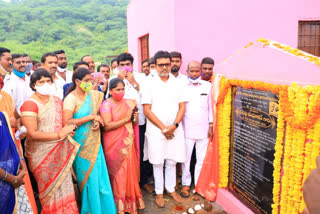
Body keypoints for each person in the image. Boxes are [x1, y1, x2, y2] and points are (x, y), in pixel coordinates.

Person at [20, 68, 79, 213]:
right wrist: (60, 134)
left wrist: (69, 128)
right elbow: (32, 133)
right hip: (41, 155)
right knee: (49, 191)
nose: (46, 84)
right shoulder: (30, 104)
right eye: (41, 82)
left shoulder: (57, 100)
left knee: (66, 187)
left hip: (60, 152)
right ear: (34, 85)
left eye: (48, 81)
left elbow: (65, 122)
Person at [63, 67, 116, 214]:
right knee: (89, 179)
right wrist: (91, 118)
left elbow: (97, 113)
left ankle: (105, 209)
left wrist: (97, 121)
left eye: (91, 81)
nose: (89, 84)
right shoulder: (70, 99)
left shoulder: (94, 95)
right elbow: (67, 122)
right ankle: (91, 210)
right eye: (86, 81)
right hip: (80, 145)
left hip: (95, 142)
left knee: (100, 178)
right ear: (77, 81)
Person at [142, 50, 187, 208]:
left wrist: (173, 126)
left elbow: (182, 106)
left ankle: (171, 189)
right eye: (160, 65)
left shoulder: (178, 83)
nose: (164, 68)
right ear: (154, 66)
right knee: (157, 162)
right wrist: (163, 128)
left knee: (172, 161)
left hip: (174, 129)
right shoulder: (149, 83)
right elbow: (147, 109)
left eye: (167, 64)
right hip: (156, 131)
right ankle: (159, 192)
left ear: (171, 64)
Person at [100, 78, 145, 213]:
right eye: (117, 89)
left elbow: (134, 122)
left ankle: (130, 202)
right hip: (113, 144)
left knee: (128, 172)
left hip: (127, 142)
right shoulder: (106, 105)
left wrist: (134, 117)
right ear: (111, 90)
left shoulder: (130, 103)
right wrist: (126, 119)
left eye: (123, 89)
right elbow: (107, 126)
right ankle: (117, 205)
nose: (121, 92)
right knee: (117, 173)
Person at [114, 53, 154, 193]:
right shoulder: (114, 79)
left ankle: (142, 181)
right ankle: (125, 182)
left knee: (141, 150)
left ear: (132, 64)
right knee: (124, 152)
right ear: (118, 66)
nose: (125, 67)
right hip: (121, 122)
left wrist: (134, 83)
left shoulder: (142, 78)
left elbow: (148, 96)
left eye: (128, 64)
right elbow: (109, 99)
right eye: (122, 64)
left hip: (140, 120)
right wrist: (119, 81)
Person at [180, 61, 213, 201]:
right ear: (187, 71)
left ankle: (199, 185)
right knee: (186, 159)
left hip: (204, 129)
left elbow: (211, 107)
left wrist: (211, 124)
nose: (194, 73)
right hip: (186, 129)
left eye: (196, 71)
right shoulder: (181, 86)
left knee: (201, 159)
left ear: (199, 71)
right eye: (191, 71)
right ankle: (186, 184)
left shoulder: (208, 86)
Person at [0, 111, 26, 214]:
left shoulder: (2, 116)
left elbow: (11, 138)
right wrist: (13, 179)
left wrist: (21, 160)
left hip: (13, 181)